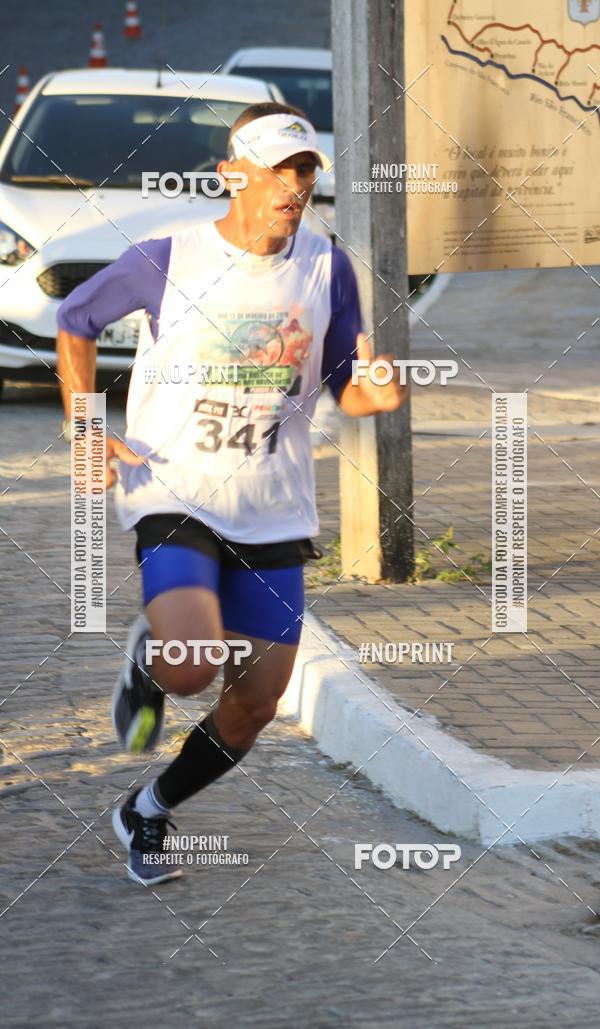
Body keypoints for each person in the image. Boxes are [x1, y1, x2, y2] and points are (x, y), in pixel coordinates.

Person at [56, 101, 407, 885]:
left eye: (306, 170)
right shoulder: (167, 259)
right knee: (190, 666)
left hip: (273, 506)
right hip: (173, 487)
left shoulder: (327, 267)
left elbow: (345, 384)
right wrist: (86, 427)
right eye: (279, 168)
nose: (295, 185)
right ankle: (154, 660)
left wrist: (374, 398)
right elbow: (75, 319)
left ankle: (147, 808)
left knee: (253, 705)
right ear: (231, 175)